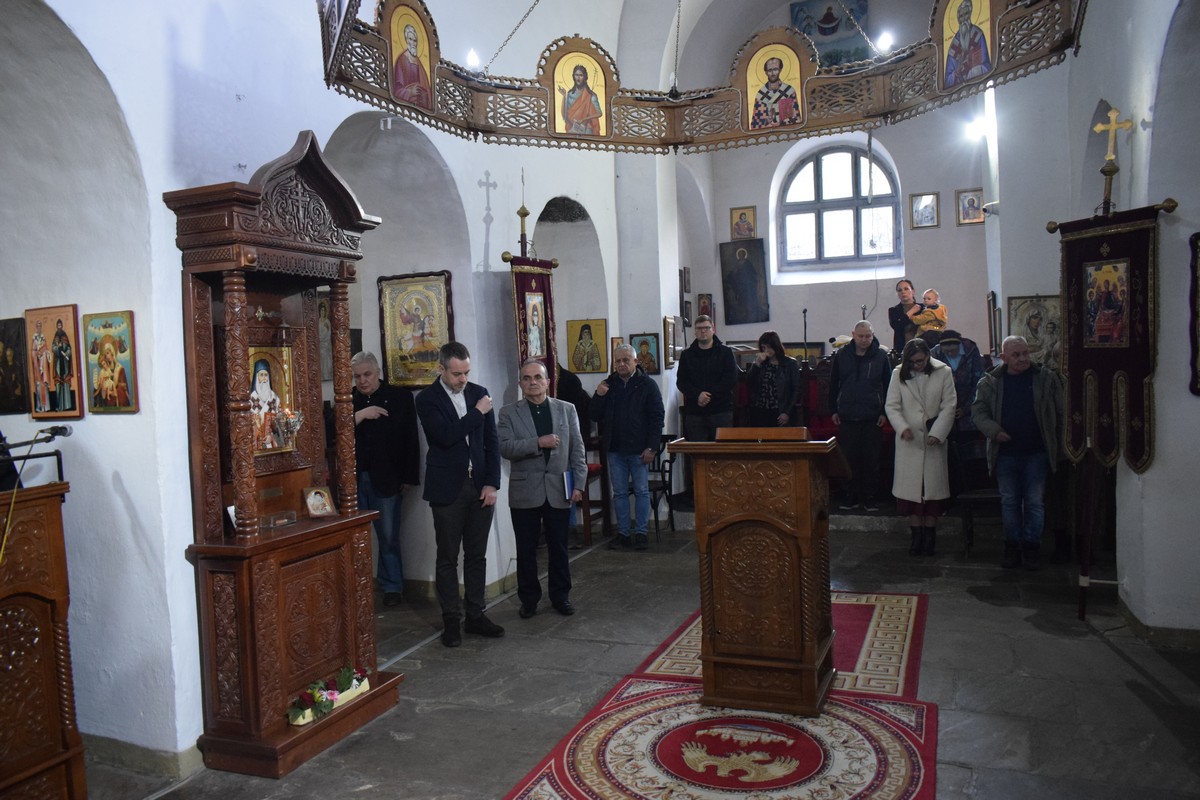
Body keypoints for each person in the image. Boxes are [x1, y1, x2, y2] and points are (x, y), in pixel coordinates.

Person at [415, 342, 504, 646]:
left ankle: (476, 615)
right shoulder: (427, 399)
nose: (463, 379)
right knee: (447, 558)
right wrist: (478, 412)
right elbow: (445, 437)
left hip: (479, 486)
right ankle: (451, 621)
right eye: (457, 374)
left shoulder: (479, 392)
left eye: (466, 372)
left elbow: (492, 442)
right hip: (447, 488)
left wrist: (492, 483)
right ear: (441, 369)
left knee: (477, 555)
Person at [499, 359, 587, 618]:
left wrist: (579, 484)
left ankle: (561, 597)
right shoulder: (508, 413)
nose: (533, 382)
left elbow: (577, 448)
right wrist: (538, 442)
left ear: (548, 382)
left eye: (538, 377)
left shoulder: (566, 409)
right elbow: (505, 447)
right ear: (520, 384)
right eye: (527, 378)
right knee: (526, 549)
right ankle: (529, 599)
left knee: (558, 547)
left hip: (558, 487)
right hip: (525, 490)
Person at [971, 335, 1065, 570]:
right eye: (1016, 355)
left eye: (1025, 353)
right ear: (1004, 357)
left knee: (1034, 502)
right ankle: (1012, 546)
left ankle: (1032, 547)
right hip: (1006, 453)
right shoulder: (990, 382)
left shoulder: (1045, 378)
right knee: (1010, 501)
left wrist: (1060, 446)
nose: (1023, 358)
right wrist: (994, 431)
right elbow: (979, 412)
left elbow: (1061, 412)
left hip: (1037, 451)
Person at [352, 351, 420, 608]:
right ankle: (358, 585)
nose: (362, 381)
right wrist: (360, 415)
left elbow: (411, 439)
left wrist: (409, 476)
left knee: (388, 535)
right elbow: (332, 430)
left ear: (378, 373)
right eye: (357, 376)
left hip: (388, 476)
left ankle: (392, 586)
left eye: (367, 374)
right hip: (355, 478)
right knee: (356, 537)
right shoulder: (348, 399)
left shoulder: (400, 398)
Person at [885, 338, 958, 557]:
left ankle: (930, 536)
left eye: (921, 361)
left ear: (928, 356)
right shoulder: (898, 373)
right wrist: (902, 427)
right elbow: (892, 406)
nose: (917, 365)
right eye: (913, 362)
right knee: (911, 494)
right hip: (909, 442)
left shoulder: (943, 372)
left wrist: (938, 432)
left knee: (932, 492)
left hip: (933, 440)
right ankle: (916, 536)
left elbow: (949, 405)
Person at [590, 344, 664, 551]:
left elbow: (657, 418)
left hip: (639, 448)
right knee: (620, 493)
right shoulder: (608, 384)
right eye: (618, 361)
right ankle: (623, 533)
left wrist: (652, 447)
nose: (621, 364)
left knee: (641, 491)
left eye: (626, 360)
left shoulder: (647, 385)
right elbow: (594, 415)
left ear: (635, 362)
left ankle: (641, 533)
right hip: (615, 448)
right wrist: (599, 395)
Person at [830, 320, 892, 510]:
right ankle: (850, 495)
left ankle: (870, 496)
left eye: (868, 336)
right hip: (847, 414)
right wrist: (833, 409)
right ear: (853, 335)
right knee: (849, 458)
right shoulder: (842, 355)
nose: (864, 340)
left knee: (871, 459)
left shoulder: (881, 356)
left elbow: (889, 386)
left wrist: (884, 412)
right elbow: (834, 383)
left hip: (872, 415)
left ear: (873, 335)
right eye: (861, 336)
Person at [677, 315, 739, 442]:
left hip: (720, 410)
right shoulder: (686, 355)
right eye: (699, 328)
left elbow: (731, 378)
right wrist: (698, 395)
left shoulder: (725, 352)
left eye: (706, 328)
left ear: (713, 329)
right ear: (695, 331)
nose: (703, 331)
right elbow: (682, 381)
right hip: (695, 412)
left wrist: (709, 395)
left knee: (722, 450)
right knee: (697, 451)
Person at [930, 329, 985, 460]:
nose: (949, 353)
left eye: (953, 350)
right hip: (943, 412)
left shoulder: (971, 351)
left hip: (968, 413)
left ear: (959, 345)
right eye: (946, 351)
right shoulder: (935, 353)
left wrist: (966, 408)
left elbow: (979, 383)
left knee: (968, 454)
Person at [743, 330, 800, 427]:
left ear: (776, 346)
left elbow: (796, 389)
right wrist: (757, 365)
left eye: (769, 347)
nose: (766, 350)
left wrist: (786, 412)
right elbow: (749, 383)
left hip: (779, 409)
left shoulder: (789, 363)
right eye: (763, 347)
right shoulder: (761, 363)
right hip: (760, 409)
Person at [944, 0, 992, 88]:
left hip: (978, 81)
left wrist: (974, 68)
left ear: (970, 14)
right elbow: (948, 80)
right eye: (961, 16)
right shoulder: (954, 43)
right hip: (961, 89)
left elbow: (987, 65)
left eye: (966, 14)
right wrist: (957, 72)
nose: (964, 19)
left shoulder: (978, 35)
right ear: (958, 19)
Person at [750, 56, 799, 129]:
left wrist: (782, 123)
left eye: (775, 69)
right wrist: (766, 121)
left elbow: (797, 118)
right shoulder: (761, 95)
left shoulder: (789, 91)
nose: (773, 73)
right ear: (766, 72)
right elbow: (756, 123)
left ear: (780, 70)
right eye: (770, 70)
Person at [391, 23, 432, 109]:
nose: (413, 43)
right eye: (410, 39)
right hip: (404, 104)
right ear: (406, 40)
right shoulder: (401, 60)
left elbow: (427, 88)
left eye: (415, 40)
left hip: (420, 104)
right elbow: (396, 89)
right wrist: (410, 92)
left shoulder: (419, 63)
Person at [725, 247, 769, 324]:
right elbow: (733, 274)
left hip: (748, 286)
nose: (741, 255)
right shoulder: (737, 264)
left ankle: (750, 313)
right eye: (739, 254)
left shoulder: (748, 263)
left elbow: (753, 273)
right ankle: (744, 314)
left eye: (742, 254)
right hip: (740, 286)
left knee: (749, 299)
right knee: (741, 300)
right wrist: (734, 274)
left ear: (744, 255)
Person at [558, 64, 602, 135]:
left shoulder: (591, 95)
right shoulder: (569, 94)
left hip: (586, 129)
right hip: (572, 128)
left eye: (581, 75)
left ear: (585, 77)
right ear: (573, 76)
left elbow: (599, 113)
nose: (578, 78)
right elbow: (564, 116)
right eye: (576, 75)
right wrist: (564, 96)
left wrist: (583, 119)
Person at [249, 359, 280, 450]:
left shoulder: (275, 399)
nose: (264, 378)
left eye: (266, 375)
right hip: (254, 443)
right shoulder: (250, 399)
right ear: (256, 377)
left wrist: (271, 436)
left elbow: (278, 425)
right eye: (261, 375)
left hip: (271, 443)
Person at [93, 340, 130, 408]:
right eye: (105, 355)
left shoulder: (120, 368)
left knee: (120, 392)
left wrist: (117, 387)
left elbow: (123, 387)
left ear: (112, 353)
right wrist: (100, 386)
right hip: (106, 396)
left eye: (108, 353)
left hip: (116, 396)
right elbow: (97, 386)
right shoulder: (103, 370)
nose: (107, 356)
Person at [887, 279, 919, 353]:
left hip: (921, 346)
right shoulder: (893, 310)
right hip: (902, 349)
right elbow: (897, 326)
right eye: (900, 290)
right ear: (897, 294)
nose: (903, 292)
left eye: (906, 289)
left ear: (913, 291)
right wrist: (911, 311)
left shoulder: (922, 308)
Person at [51, 319, 75, 411]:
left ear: (62, 326)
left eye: (60, 325)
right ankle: (59, 406)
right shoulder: (56, 336)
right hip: (58, 364)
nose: (59, 327)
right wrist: (57, 347)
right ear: (57, 326)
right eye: (58, 326)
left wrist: (66, 353)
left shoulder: (65, 335)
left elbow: (69, 348)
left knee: (65, 383)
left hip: (65, 363)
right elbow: (53, 348)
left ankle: (67, 406)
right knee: (58, 384)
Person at [31, 321, 52, 413]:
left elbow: (46, 349)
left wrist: (45, 354)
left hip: (44, 366)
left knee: (45, 385)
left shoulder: (43, 337)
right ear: (36, 327)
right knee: (39, 385)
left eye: (40, 326)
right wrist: (37, 354)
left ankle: (46, 407)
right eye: (37, 326)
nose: (39, 327)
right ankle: (40, 407)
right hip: (38, 365)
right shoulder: (34, 338)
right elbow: (32, 352)